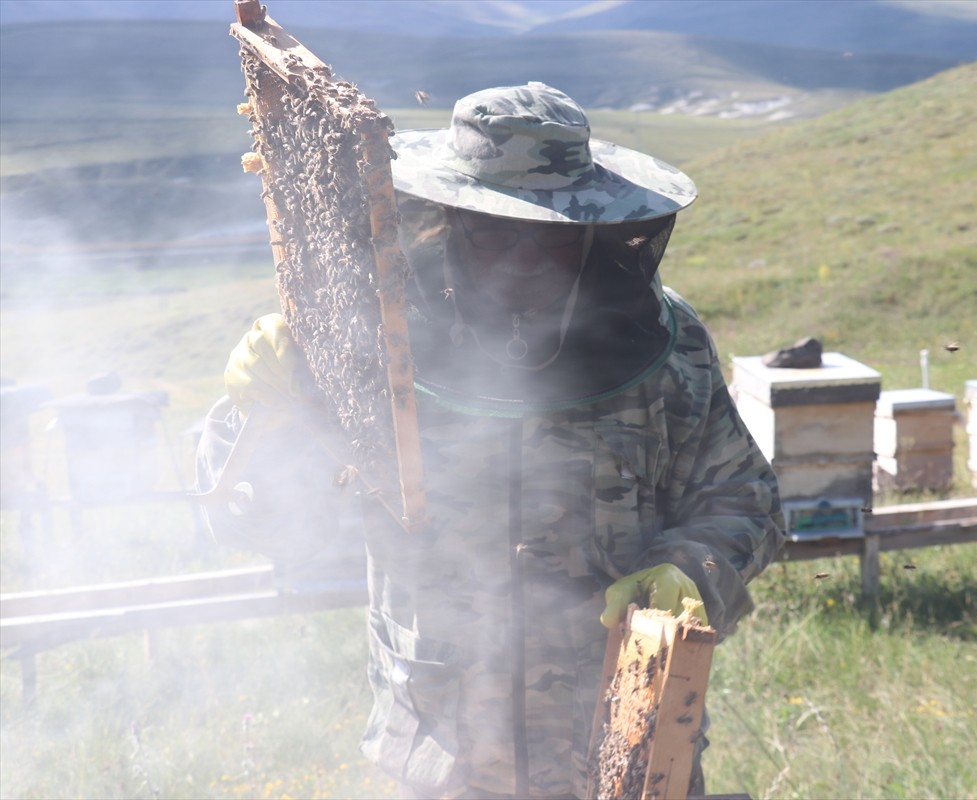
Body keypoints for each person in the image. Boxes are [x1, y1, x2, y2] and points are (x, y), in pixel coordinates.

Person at [196, 82, 784, 799]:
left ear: (594, 228)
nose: (524, 256)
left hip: (627, 749)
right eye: (497, 229)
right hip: (443, 761)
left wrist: (690, 566)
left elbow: (744, 497)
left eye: (551, 233)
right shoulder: (368, 342)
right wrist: (260, 418)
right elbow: (264, 522)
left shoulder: (664, 340)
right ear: (448, 218)